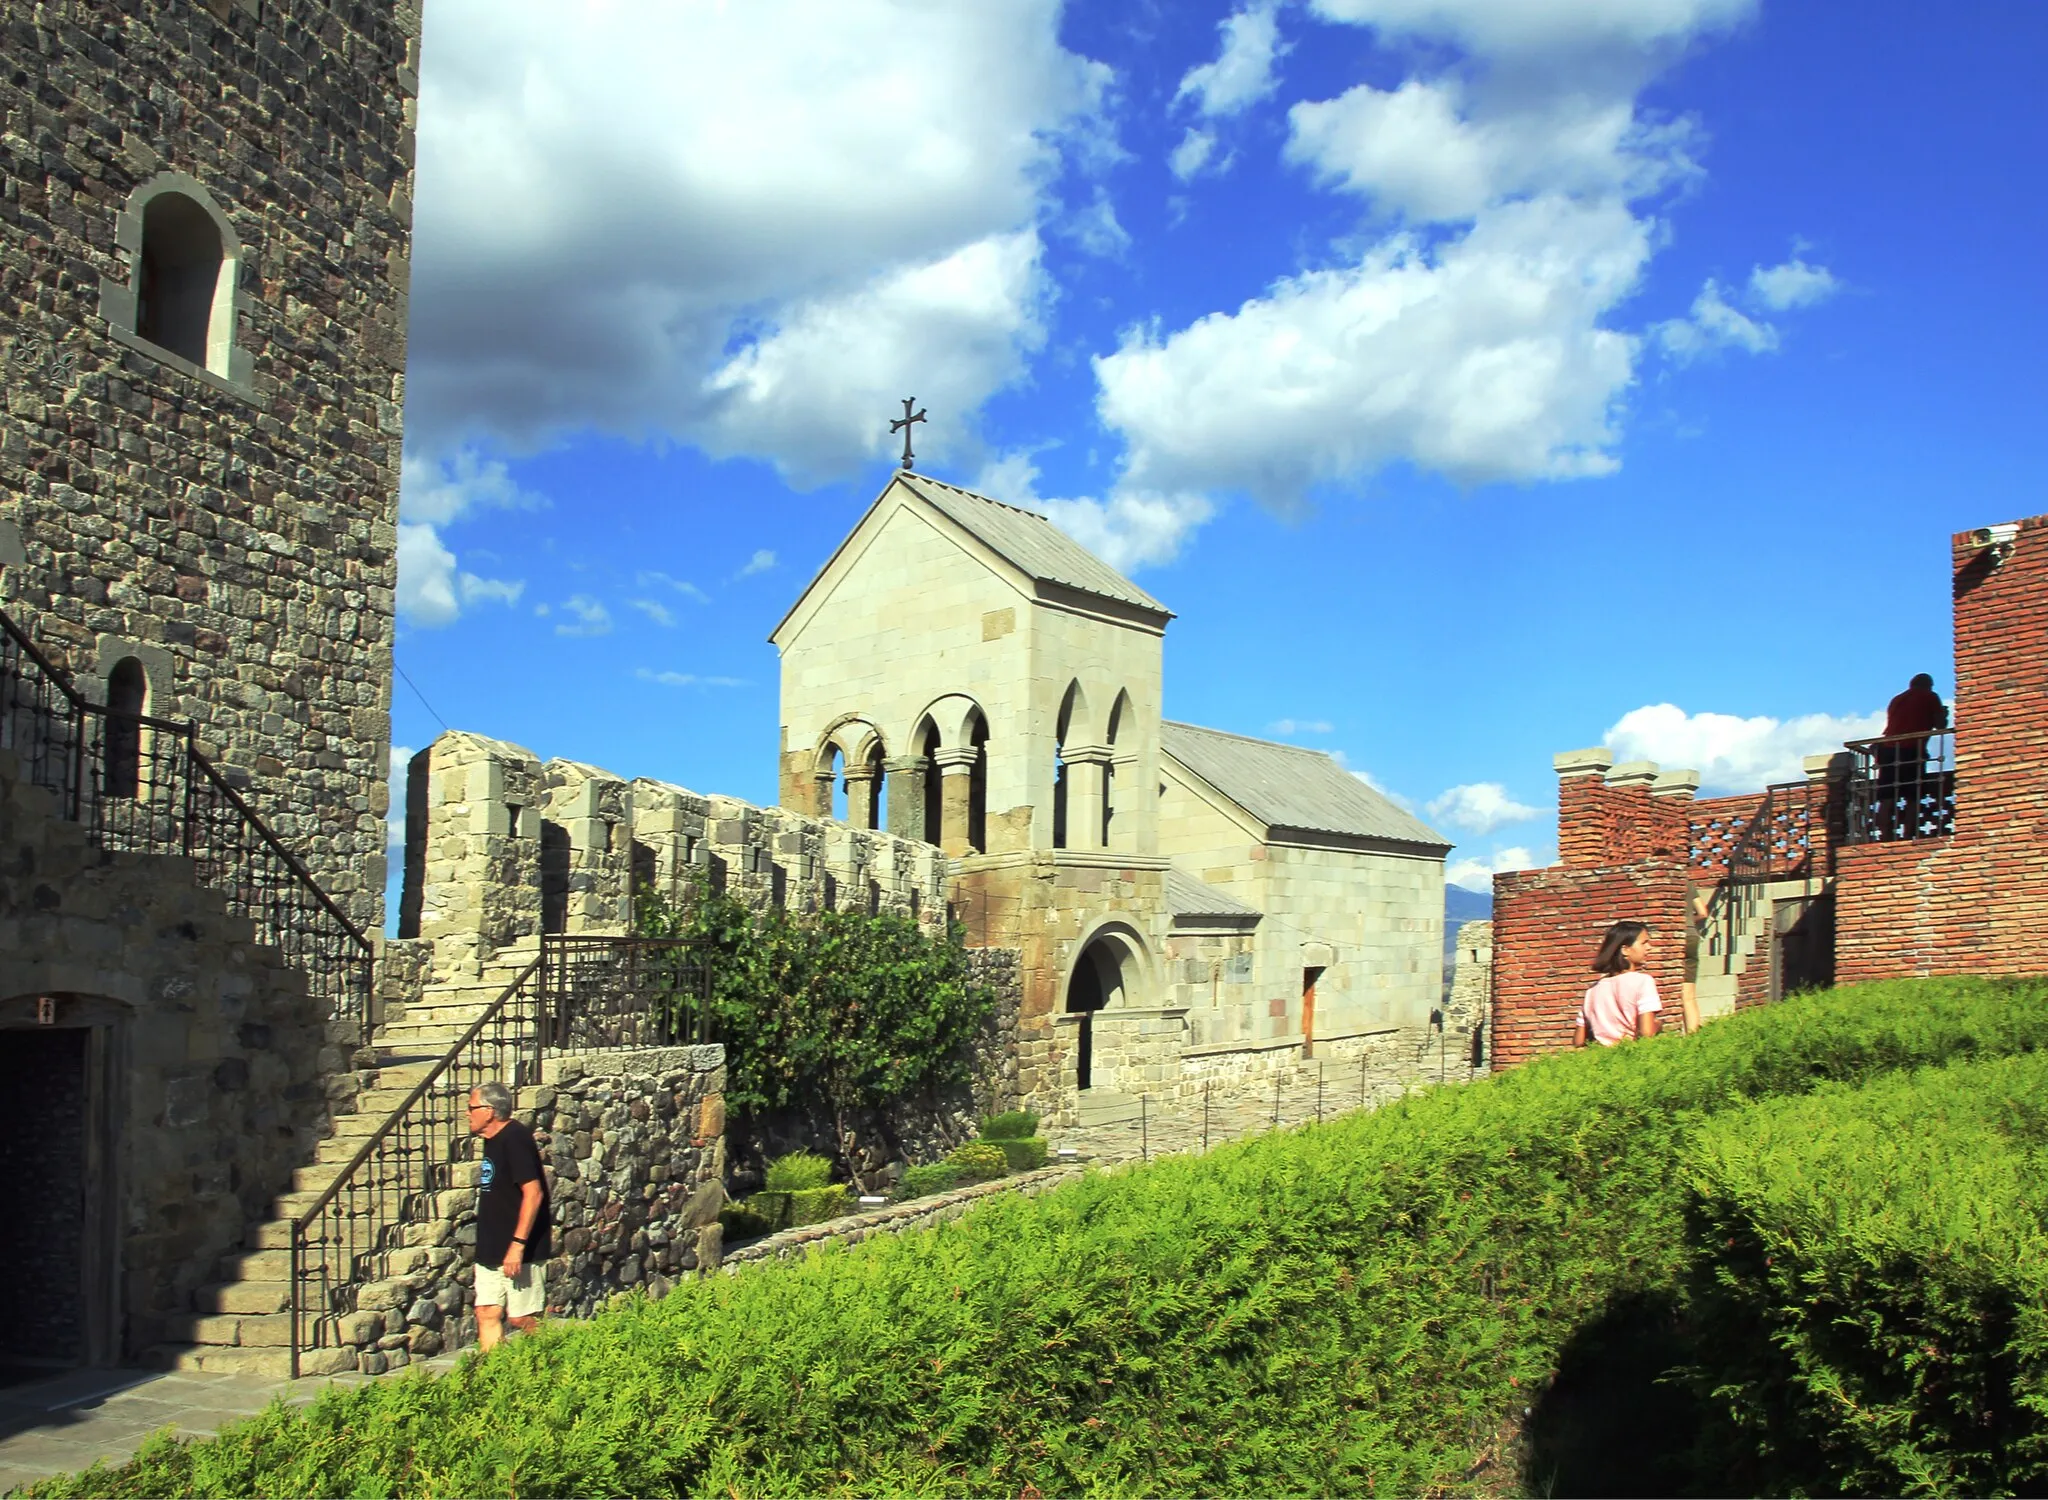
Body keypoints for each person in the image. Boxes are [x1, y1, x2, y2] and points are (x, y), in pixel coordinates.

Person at [467, 1080, 551, 1351]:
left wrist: (517, 1245)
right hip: (491, 1246)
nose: (467, 1113)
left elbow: (534, 1192)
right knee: (487, 1312)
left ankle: (550, 1354)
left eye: (471, 1108)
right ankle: (494, 1376)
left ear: (489, 1111)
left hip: (518, 1246)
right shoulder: (491, 1140)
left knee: (521, 1317)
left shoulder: (515, 1138)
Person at [1874, 673, 1949, 834]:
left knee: (1887, 797)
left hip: (1888, 750)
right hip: (1911, 750)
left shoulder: (1897, 699)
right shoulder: (1929, 696)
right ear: (1928, 685)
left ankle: (1884, 835)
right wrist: (1943, 714)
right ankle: (1909, 834)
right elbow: (1940, 725)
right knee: (1913, 796)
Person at [1574, 921, 1664, 1047]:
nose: (1649, 947)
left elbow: (1579, 1041)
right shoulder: (1643, 981)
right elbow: (1646, 1033)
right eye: (1644, 943)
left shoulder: (1592, 991)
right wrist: (1658, 1025)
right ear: (1625, 950)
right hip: (1630, 1056)